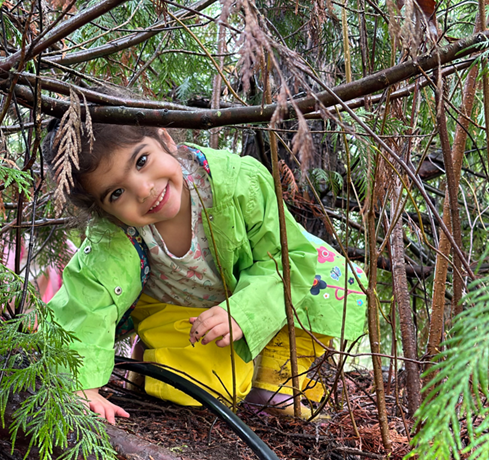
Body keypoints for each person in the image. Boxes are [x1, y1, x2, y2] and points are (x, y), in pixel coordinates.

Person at [43, 123, 367, 423]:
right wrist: (82, 385)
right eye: (117, 193)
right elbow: (86, 300)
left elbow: (288, 256)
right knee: (211, 386)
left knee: (335, 280)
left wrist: (244, 312)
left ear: (164, 138)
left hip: (256, 293)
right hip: (183, 311)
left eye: (141, 161)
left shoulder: (237, 184)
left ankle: (276, 378)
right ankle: (152, 358)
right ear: (105, 212)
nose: (142, 190)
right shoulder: (115, 235)